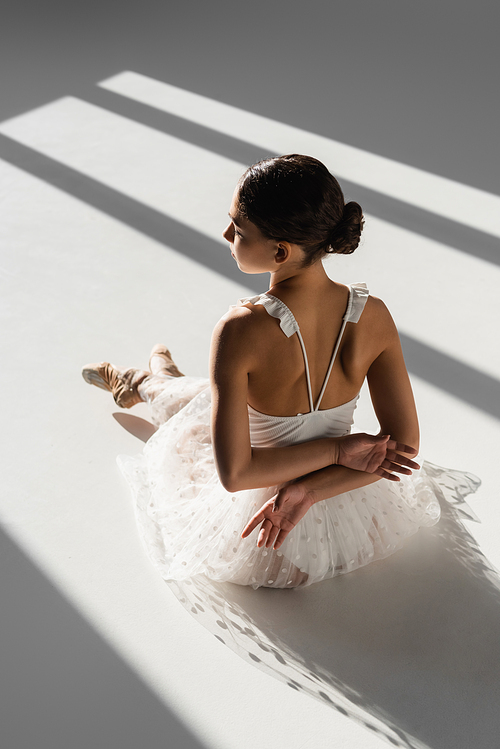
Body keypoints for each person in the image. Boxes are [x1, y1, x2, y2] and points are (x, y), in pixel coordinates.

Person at [82, 154, 455, 589]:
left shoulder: (239, 329)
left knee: (196, 422)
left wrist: (333, 456)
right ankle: (154, 380)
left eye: (238, 230)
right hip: (352, 513)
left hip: (264, 535)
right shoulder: (374, 315)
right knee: (215, 399)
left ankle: (145, 383)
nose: (226, 234)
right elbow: (404, 448)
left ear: (280, 251)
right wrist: (314, 487)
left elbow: (236, 476)